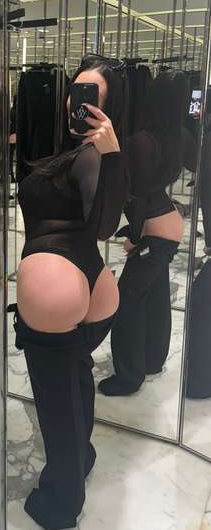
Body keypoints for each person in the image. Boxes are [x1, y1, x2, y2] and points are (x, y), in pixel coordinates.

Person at [12, 55, 128, 530]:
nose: (76, 102)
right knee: (76, 381)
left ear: (108, 106)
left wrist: (112, 152)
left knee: (56, 399)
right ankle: (80, 457)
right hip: (87, 283)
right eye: (75, 90)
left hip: (65, 286)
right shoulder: (77, 152)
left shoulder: (92, 155)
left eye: (91, 95)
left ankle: (62, 499)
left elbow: (103, 225)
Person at [99, 70, 189, 396]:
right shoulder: (178, 136)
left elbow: (136, 197)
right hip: (167, 222)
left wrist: (135, 237)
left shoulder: (142, 141)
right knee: (155, 296)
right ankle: (152, 358)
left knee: (127, 302)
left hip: (154, 230)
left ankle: (129, 376)